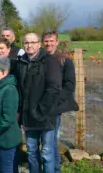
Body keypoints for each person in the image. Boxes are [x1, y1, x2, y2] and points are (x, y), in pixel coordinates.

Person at [14, 33, 62, 173]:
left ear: (39, 44)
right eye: (26, 42)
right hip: (28, 116)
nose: (29, 45)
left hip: (45, 115)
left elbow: (54, 89)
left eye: (32, 42)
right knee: (32, 151)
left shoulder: (49, 62)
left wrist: (41, 110)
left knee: (47, 153)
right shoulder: (21, 62)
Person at [42, 29, 78, 173]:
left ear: (57, 41)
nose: (49, 43)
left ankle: (55, 169)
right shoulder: (41, 58)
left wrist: (54, 101)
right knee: (46, 142)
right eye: (46, 41)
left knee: (50, 142)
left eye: (51, 40)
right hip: (41, 106)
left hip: (54, 106)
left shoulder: (65, 61)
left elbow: (69, 85)